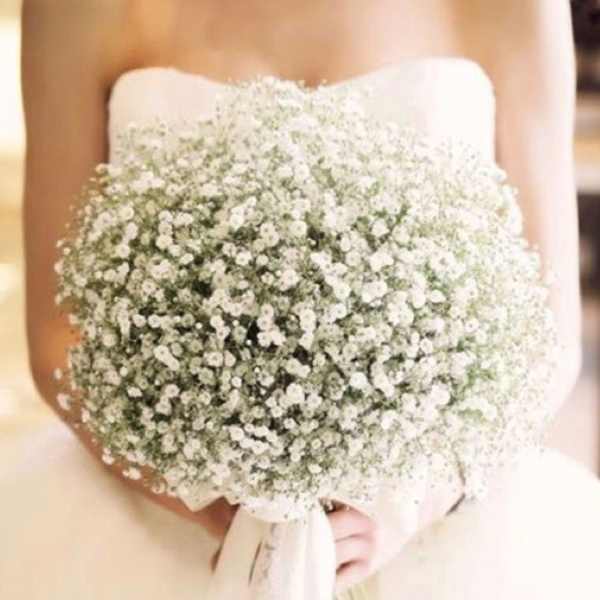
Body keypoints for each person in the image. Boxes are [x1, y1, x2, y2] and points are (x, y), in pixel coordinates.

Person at [3, 1, 599, 598]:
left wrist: (409, 506)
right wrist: (206, 498)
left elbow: (547, 335)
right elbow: (58, 334)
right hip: (157, 529)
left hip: (440, 528)